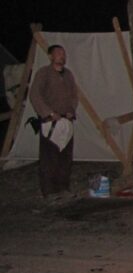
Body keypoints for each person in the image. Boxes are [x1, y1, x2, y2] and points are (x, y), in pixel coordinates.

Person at [29, 45, 79, 200]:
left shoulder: (68, 75)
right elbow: (35, 95)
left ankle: (63, 187)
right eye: (58, 53)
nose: (62, 56)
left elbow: (73, 95)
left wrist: (71, 109)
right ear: (51, 56)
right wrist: (49, 113)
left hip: (66, 120)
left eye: (63, 53)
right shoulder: (44, 73)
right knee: (50, 157)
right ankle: (49, 191)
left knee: (65, 156)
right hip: (51, 122)